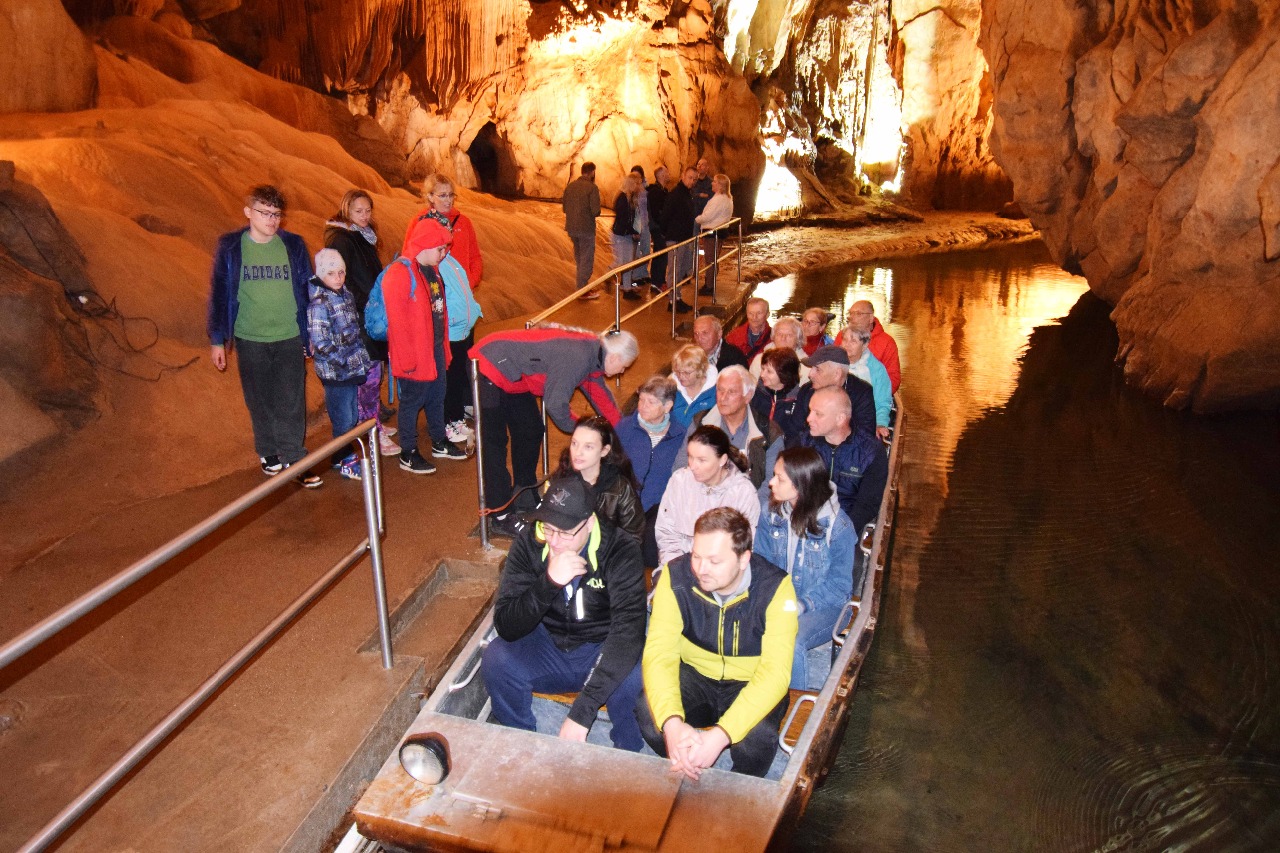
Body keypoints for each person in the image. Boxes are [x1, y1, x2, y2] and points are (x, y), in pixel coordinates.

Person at [481, 476, 647, 751]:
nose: (555, 541)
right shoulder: (530, 543)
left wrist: (582, 712)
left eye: (565, 532)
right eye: (548, 528)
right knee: (497, 659)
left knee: (636, 675)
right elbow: (506, 625)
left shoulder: (620, 549)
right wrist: (548, 583)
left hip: (602, 648)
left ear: (589, 523)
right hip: (548, 646)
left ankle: (627, 755)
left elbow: (627, 635)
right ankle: (521, 746)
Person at [638, 507, 798, 779]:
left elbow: (775, 674)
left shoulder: (776, 588)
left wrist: (722, 735)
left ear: (744, 558)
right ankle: (688, 763)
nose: (701, 570)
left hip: (750, 681)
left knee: (757, 739)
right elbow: (659, 654)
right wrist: (672, 724)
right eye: (696, 556)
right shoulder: (675, 578)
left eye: (714, 561)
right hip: (696, 676)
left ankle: (738, 785)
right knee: (650, 715)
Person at [471, 326, 639, 536]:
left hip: (513, 375)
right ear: (614, 357)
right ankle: (500, 513)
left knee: (531, 429)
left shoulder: (593, 357)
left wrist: (622, 433)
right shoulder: (578, 357)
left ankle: (523, 491)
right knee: (494, 444)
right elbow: (556, 404)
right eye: (624, 366)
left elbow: (600, 396)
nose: (622, 371)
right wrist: (583, 432)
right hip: (488, 365)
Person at [207, 184, 320, 487]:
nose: (271, 220)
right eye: (264, 213)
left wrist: (310, 332)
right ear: (248, 212)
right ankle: (269, 451)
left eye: (276, 214)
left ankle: (295, 458)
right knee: (259, 398)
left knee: (291, 398)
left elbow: (307, 291)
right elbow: (220, 294)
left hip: (289, 334)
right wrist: (217, 340)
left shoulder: (293, 245)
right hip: (250, 336)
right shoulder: (231, 247)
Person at [754, 448, 856, 690]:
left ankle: (795, 702)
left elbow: (839, 587)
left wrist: (801, 605)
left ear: (800, 485)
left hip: (826, 605)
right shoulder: (771, 514)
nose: (771, 483)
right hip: (782, 599)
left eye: (779, 478)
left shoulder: (838, 526)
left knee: (793, 639)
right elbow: (760, 564)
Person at [384, 217, 468, 476]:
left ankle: (439, 441)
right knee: (411, 402)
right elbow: (397, 322)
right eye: (440, 248)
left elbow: (438, 312)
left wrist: (444, 348)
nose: (443, 253)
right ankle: (408, 452)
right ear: (425, 244)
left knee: (436, 397)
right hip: (414, 354)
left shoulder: (432, 271)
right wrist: (407, 360)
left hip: (434, 348)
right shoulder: (400, 273)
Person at [409, 175, 484, 445]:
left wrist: (467, 283)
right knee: (444, 365)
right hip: (440, 303)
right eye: (442, 195)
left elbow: (475, 257)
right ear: (429, 196)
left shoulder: (464, 223)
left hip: (462, 303)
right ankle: (444, 417)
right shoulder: (420, 223)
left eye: (451, 194)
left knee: (463, 358)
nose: (447, 200)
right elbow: (412, 259)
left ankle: (459, 409)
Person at [324, 189, 398, 457]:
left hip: (370, 314)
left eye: (368, 210)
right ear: (346, 210)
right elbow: (341, 281)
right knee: (368, 377)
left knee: (373, 374)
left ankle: (372, 421)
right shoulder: (342, 240)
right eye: (358, 211)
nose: (365, 216)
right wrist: (367, 303)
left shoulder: (363, 236)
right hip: (358, 319)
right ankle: (371, 431)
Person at [307, 249, 374, 481]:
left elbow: (353, 329)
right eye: (331, 273)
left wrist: (359, 358)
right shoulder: (319, 304)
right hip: (335, 372)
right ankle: (346, 459)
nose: (338, 278)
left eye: (341, 272)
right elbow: (320, 341)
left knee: (352, 414)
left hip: (351, 368)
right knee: (343, 417)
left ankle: (339, 455)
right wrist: (343, 360)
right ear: (321, 274)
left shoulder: (346, 295)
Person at [654, 425, 760, 566]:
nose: (693, 466)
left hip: (721, 569)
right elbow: (666, 534)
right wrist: (677, 569)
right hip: (679, 564)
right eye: (690, 457)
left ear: (722, 460)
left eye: (702, 460)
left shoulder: (743, 492)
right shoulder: (679, 480)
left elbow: (743, 546)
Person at [673, 366, 783, 490]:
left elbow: (771, 483)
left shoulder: (768, 432)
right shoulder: (700, 422)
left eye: (731, 392)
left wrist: (749, 501)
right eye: (720, 390)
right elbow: (681, 466)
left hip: (750, 498)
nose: (723, 397)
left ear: (748, 396)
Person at [796, 387, 889, 532]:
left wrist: (841, 532)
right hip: (805, 522)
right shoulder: (802, 444)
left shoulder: (871, 452)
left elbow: (867, 505)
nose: (809, 419)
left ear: (840, 419)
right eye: (810, 411)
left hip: (847, 524)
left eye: (818, 414)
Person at [615, 375, 684, 567]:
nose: (642, 406)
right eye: (641, 399)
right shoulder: (624, 428)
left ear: (667, 406)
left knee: (652, 547)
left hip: (660, 506)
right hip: (625, 502)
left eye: (650, 402)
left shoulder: (680, 434)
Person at [552, 416, 644, 542]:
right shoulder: (561, 478)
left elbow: (633, 539)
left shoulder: (620, 488)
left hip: (608, 553)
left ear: (604, 451)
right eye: (574, 443)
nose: (578, 452)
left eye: (588, 447)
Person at [792, 346, 876, 441]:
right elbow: (795, 431)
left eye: (818, 369)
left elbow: (865, 436)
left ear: (837, 374)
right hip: (810, 448)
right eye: (812, 368)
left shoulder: (861, 393)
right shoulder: (807, 391)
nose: (810, 374)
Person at [840, 326, 892, 441]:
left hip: (864, 422)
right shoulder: (833, 363)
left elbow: (882, 402)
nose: (847, 344)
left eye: (853, 341)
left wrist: (880, 424)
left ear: (864, 345)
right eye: (845, 339)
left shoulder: (877, 369)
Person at [660, 167, 697, 313]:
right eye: (690, 177)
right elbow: (665, 216)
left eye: (694, 179)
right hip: (676, 238)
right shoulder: (676, 194)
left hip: (684, 238)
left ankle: (677, 297)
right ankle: (672, 300)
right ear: (683, 176)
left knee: (681, 269)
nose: (692, 181)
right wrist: (667, 234)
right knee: (674, 270)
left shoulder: (687, 194)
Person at [562, 162, 601, 299]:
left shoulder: (570, 186)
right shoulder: (592, 188)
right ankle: (582, 289)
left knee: (579, 258)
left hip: (572, 227)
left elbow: (564, 208)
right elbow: (595, 211)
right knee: (586, 259)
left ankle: (582, 286)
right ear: (592, 172)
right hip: (586, 228)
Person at [751, 347, 805, 444]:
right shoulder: (755, 394)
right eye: (763, 369)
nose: (762, 374)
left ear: (784, 374)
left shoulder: (798, 399)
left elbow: (795, 435)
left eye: (769, 371)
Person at [847, 300, 901, 393]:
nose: (852, 318)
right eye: (851, 313)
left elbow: (893, 378)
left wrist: (873, 396)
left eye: (858, 314)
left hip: (873, 394)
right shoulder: (842, 336)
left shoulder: (887, 342)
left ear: (871, 318)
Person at [695, 174, 733, 295]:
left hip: (713, 232)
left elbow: (708, 216)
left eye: (715, 181)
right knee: (713, 259)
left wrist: (696, 219)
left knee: (710, 259)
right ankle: (710, 283)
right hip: (719, 231)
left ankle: (709, 286)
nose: (712, 183)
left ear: (720, 185)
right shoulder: (726, 198)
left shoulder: (718, 200)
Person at [669, 343, 717, 431]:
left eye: (687, 373)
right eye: (678, 372)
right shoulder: (671, 388)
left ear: (700, 370)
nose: (681, 376)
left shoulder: (715, 393)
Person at [749, 316, 809, 383]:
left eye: (789, 335)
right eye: (779, 334)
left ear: (798, 339)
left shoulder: (806, 366)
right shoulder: (759, 360)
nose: (783, 338)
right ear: (773, 337)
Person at [611, 172, 643, 297]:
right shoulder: (622, 198)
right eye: (637, 183)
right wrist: (633, 232)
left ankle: (627, 287)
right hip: (621, 235)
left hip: (626, 234)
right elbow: (623, 219)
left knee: (628, 262)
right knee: (621, 262)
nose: (639, 186)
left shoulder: (630, 198)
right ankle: (608, 276)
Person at [646, 166, 670, 290]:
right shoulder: (656, 192)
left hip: (660, 227)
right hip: (658, 227)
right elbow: (657, 213)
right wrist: (663, 227)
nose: (669, 174)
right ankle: (659, 281)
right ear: (661, 175)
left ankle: (657, 281)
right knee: (661, 254)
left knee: (659, 253)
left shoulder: (663, 190)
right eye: (667, 172)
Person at [629, 165, 651, 285]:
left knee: (646, 249)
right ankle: (636, 276)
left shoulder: (647, 188)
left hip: (645, 223)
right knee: (637, 251)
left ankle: (643, 273)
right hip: (636, 224)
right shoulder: (631, 189)